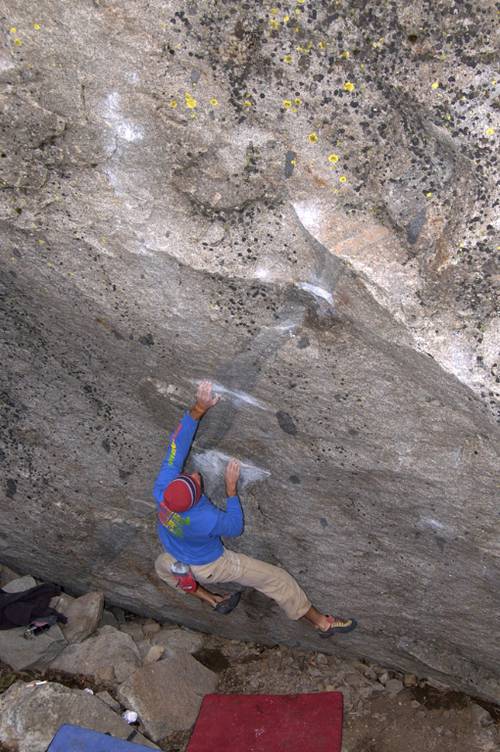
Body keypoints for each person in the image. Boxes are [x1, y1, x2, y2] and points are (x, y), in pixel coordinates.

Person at [153, 380, 357, 637]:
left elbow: (176, 445)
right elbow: (235, 526)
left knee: (163, 569)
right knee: (277, 579)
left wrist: (199, 408)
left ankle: (212, 600)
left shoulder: (162, 491)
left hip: (174, 556)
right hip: (211, 565)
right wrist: (231, 490)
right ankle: (321, 622)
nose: (195, 474)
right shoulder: (204, 518)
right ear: (195, 501)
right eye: (195, 482)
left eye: (188, 477)